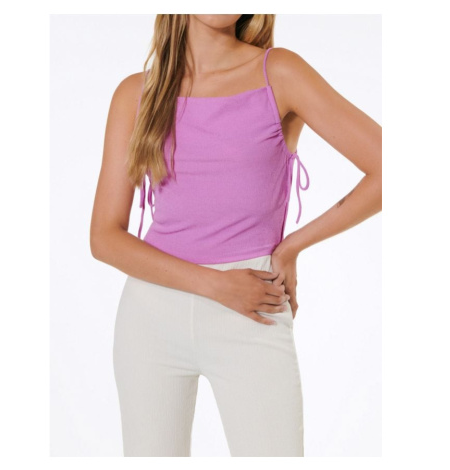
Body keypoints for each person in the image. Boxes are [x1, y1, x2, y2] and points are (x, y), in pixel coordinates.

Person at [90, 14, 382, 457]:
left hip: (254, 305)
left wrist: (292, 246)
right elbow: (104, 237)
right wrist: (215, 285)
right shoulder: (137, 92)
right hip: (151, 314)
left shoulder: (279, 73)